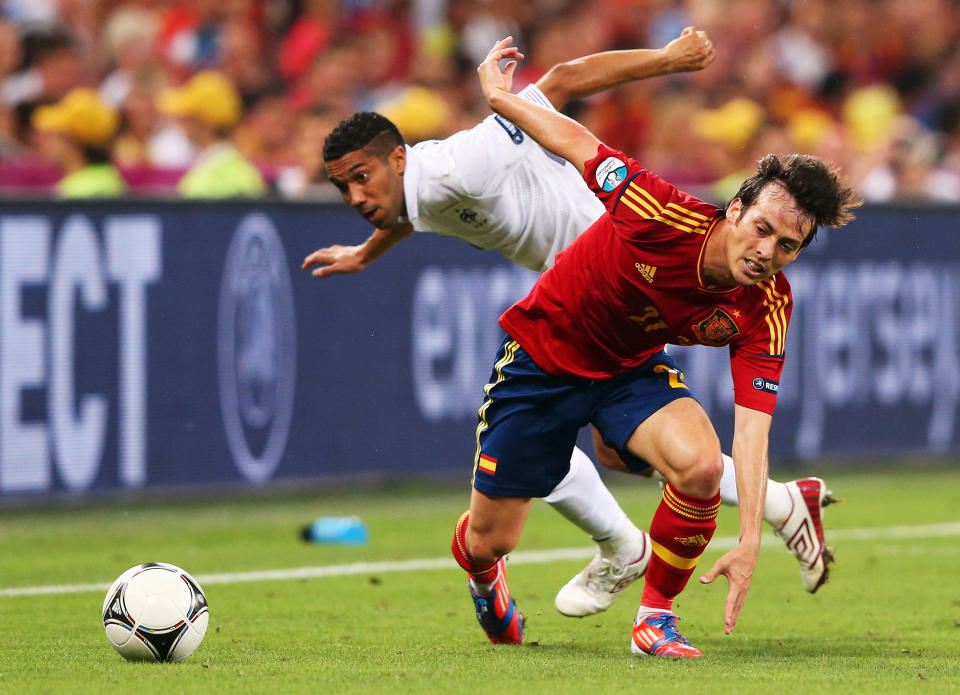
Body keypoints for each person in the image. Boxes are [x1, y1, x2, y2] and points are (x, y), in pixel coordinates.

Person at [305, 29, 835, 620]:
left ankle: (629, 554)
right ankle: (773, 507)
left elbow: (556, 86)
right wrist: (364, 253)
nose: (355, 197)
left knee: (639, 448)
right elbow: (410, 210)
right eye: (344, 187)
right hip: (592, 294)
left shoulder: (463, 163)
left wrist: (663, 60)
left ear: (398, 158)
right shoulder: (413, 190)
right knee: (607, 453)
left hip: (601, 262)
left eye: (360, 179)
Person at [446, 36, 861, 657]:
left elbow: (751, 432)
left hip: (629, 367)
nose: (767, 252)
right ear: (736, 209)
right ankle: (485, 577)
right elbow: (574, 141)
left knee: (697, 466)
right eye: (762, 229)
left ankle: (655, 621)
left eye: (787, 246)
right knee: (490, 539)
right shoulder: (659, 213)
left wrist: (749, 537)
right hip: (543, 356)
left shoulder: (768, 304)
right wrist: (499, 99)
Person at [156, 70, 266, 199]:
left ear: (206, 123)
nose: (181, 125)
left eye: (187, 118)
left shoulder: (229, 176)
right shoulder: (212, 165)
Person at [32, 87, 127, 198]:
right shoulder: (113, 179)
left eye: (53, 135)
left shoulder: (73, 193)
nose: (41, 142)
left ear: (75, 142)